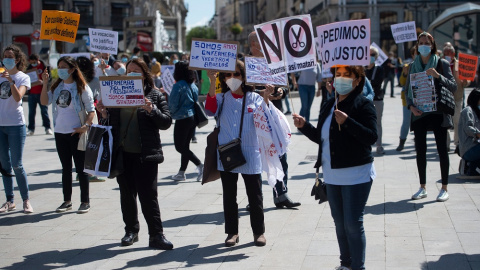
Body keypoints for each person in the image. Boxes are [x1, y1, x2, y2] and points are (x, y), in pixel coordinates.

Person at [293, 65, 377, 270]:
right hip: (331, 175)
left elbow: (371, 137)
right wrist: (304, 126)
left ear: (358, 80)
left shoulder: (363, 104)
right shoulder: (329, 104)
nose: (341, 79)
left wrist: (348, 122)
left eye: (347, 76)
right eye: (338, 75)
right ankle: (345, 264)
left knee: (353, 224)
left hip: (356, 175)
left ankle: (358, 267)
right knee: (340, 224)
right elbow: (322, 139)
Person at [96, 58, 174, 250]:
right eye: (128, 71)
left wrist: (151, 110)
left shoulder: (154, 94)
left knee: (149, 196)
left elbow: (166, 122)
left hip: (145, 154)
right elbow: (110, 126)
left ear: (144, 73)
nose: (131, 74)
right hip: (122, 153)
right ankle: (131, 231)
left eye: (135, 71)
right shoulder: (116, 93)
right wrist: (104, 114)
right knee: (127, 195)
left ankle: (156, 235)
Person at [204, 60, 272, 247]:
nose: (232, 78)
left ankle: (259, 232)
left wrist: (266, 98)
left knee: (255, 196)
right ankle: (232, 232)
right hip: (227, 154)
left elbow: (264, 119)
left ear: (244, 76)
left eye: (236, 74)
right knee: (229, 195)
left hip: (250, 153)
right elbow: (209, 110)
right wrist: (211, 81)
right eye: (228, 75)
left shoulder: (255, 98)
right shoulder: (221, 98)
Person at [248, 31, 300, 209]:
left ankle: (281, 194)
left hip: (273, 118)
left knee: (280, 154)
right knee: (255, 160)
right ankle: (254, 198)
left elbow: (284, 87)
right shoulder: (245, 65)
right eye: (263, 44)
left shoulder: (274, 64)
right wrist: (261, 94)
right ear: (254, 45)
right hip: (253, 119)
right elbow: (241, 92)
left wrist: (279, 93)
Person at [406, 32, 457, 202]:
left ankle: (444, 187)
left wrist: (438, 76)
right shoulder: (413, 65)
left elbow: (453, 86)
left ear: (432, 44)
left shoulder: (441, 63)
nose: (424, 45)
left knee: (442, 149)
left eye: (427, 42)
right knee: (421, 150)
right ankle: (422, 187)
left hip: (438, 113)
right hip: (420, 113)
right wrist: (411, 107)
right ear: (417, 45)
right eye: (421, 42)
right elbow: (407, 91)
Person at [40, 56, 95, 213]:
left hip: (76, 132)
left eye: (64, 67)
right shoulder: (57, 87)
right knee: (65, 168)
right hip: (60, 132)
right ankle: (67, 200)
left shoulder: (82, 87)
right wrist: (45, 83)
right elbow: (44, 102)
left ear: (72, 69)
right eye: (59, 66)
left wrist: (85, 127)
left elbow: (91, 110)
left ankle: (85, 201)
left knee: (81, 168)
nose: (61, 69)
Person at [0, 44, 34, 214]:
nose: (6, 59)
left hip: (16, 125)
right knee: (4, 165)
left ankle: (26, 200)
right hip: (0, 125)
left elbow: (17, 96)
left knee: (17, 164)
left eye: (10, 57)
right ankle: (9, 200)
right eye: (4, 56)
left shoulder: (23, 77)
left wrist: (10, 81)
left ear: (18, 59)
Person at [168, 61, 203, 181]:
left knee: (179, 147)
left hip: (182, 118)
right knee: (185, 146)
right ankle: (181, 172)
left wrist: (169, 114)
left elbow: (172, 104)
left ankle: (200, 164)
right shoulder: (192, 85)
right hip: (192, 118)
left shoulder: (178, 85)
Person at [75, 56, 105, 183]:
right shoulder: (95, 81)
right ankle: (89, 172)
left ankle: (80, 172)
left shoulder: (74, 81)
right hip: (92, 115)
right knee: (92, 144)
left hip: (77, 115)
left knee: (80, 145)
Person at [443, 45, 470, 153]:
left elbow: (467, 80)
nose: (447, 54)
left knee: (457, 121)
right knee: (445, 122)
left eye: (449, 52)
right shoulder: (441, 64)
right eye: (445, 53)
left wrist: (466, 82)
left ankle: (457, 143)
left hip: (457, 97)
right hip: (445, 97)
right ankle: (446, 144)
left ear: (453, 54)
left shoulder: (460, 64)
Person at [397, 46, 418, 151]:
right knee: (406, 122)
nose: (417, 55)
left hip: (421, 99)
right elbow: (401, 82)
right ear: (412, 55)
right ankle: (402, 141)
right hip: (408, 100)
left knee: (419, 122)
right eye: (415, 53)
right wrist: (405, 73)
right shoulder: (407, 66)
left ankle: (418, 141)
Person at [26, 53, 52, 136]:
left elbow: (50, 79)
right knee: (31, 112)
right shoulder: (29, 68)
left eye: (34, 62)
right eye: (31, 62)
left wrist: (44, 82)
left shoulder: (45, 67)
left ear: (38, 60)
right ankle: (31, 129)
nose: (33, 63)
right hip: (32, 94)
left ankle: (47, 127)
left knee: (44, 111)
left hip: (42, 93)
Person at [366, 46, 386, 155]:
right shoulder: (362, 69)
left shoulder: (379, 69)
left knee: (378, 122)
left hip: (377, 99)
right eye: (368, 54)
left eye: (372, 55)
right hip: (365, 100)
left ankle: (379, 145)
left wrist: (367, 83)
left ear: (376, 57)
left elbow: (378, 82)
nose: (370, 57)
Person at [458, 89, 480, 178]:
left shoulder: (476, 111)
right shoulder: (467, 111)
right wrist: (478, 133)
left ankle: (473, 168)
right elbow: (468, 128)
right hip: (469, 147)